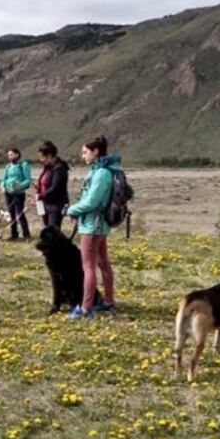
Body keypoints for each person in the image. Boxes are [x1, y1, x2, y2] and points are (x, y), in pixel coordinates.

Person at [65, 135, 122, 320]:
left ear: (95, 151)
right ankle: (108, 301)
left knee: (88, 267)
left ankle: (85, 308)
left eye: (85, 152)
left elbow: (90, 201)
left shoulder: (101, 174)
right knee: (103, 263)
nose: (83, 156)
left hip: (92, 225)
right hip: (100, 225)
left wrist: (71, 210)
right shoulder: (105, 171)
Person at [35, 141, 70, 229]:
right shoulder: (48, 167)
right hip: (46, 203)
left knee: (53, 231)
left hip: (56, 204)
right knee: (47, 229)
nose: (41, 160)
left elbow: (55, 187)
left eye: (42, 157)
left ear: (49, 156)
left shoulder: (60, 168)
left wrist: (40, 195)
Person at [0, 147, 32, 240]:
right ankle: (14, 234)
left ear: (17, 154)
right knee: (10, 213)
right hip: (8, 193)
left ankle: (26, 234)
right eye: (8, 155)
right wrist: (2, 186)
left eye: (11, 154)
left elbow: (28, 180)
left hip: (19, 193)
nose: (9, 156)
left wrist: (19, 186)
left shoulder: (24, 165)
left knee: (20, 213)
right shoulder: (8, 166)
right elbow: (3, 179)